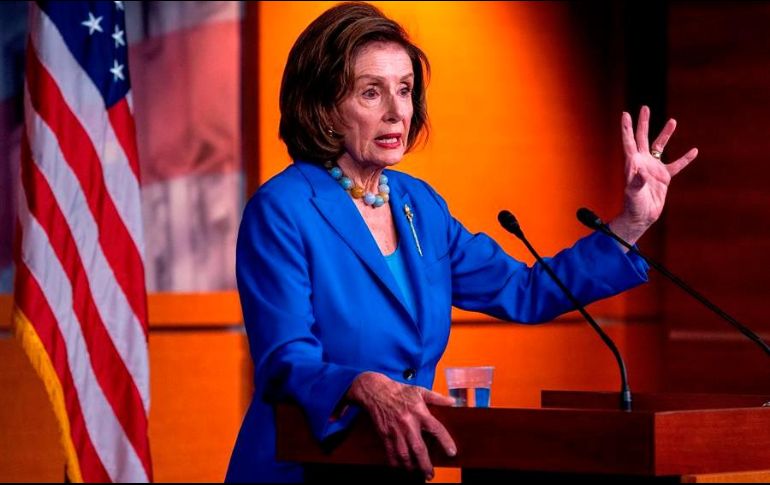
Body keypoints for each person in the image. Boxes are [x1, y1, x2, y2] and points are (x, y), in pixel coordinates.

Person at [225, 2, 698, 483]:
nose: (396, 112)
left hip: (392, 467)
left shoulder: (420, 205)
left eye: (405, 91)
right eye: (371, 93)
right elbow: (286, 357)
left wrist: (631, 223)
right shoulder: (284, 209)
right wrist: (363, 385)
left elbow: (525, 290)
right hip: (302, 466)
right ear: (325, 109)